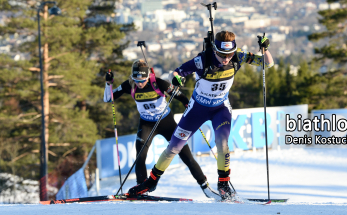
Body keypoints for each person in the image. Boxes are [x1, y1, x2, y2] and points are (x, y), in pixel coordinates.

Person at [128, 31, 274, 200]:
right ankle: (151, 182)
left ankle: (223, 184)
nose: (226, 59)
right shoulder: (202, 60)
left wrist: (265, 49)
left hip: (220, 108)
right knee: (174, 147)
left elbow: (267, 64)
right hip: (197, 109)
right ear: (214, 49)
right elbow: (176, 72)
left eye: (229, 54)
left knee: (223, 143)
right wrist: (176, 80)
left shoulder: (239, 56)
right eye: (221, 54)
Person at [103, 59, 219, 198]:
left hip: (166, 122)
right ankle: (142, 187)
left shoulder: (158, 83)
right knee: (140, 156)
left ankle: (205, 187)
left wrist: (187, 104)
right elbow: (109, 98)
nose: (140, 84)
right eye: (137, 80)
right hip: (146, 123)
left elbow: (181, 97)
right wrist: (108, 84)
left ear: (148, 76)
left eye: (143, 80)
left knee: (186, 155)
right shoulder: (130, 85)